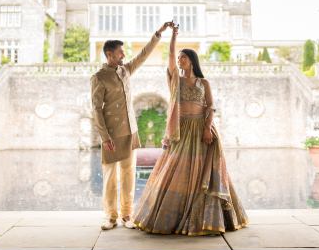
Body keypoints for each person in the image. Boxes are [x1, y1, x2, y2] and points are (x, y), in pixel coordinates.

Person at [132, 25, 248, 236]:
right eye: (179, 58)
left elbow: (210, 106)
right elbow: (169, 55)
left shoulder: (204, 82)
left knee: (204, 173)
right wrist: (173, 36)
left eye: (183, 58)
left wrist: (207, 128)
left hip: (202, 129)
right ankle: (174, 217)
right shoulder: (175, 79)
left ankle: (208, 219)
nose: (179, 60)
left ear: (192, 61)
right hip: (181, 129)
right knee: (177, 169)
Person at [90, 21, 175, 231]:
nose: (123, 56)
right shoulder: (99, 77)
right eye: (120, 53)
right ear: (109, 54)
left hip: (130, 132)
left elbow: (143, 55)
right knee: (110, 177)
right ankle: (110, 217)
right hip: (111, 135)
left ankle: (127, 214)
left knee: (129, 174)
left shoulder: (126, 70)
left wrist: (159, 33)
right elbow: (96, 109)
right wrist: (105, 137)